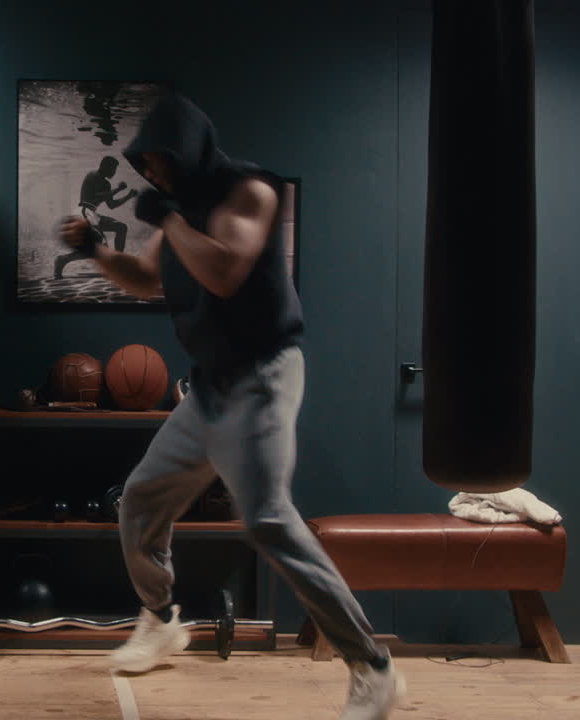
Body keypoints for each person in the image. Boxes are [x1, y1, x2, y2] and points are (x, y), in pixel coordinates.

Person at [59, 94, 406, 720]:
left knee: (268, 519)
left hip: (263, 377)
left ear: (187, 149)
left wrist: (169, 218)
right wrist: (93, 251)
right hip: (209, 387)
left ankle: (373, 666)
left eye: (161, 161)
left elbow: (224, 272)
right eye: (146, 166)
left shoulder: (252, 191)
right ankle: (161, 620)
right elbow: (145, 278)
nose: (153, 174)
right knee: (141, 500)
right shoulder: (180, 211)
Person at [54, 156, 137, 279]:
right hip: (83, 212)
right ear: (104, 166)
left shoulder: (107, 184)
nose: (114, 172)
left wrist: (128, 196)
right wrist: (118, 189)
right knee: (99, 247)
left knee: (121, 227)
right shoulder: (92, 176)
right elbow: (96, 196)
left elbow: (112, 205)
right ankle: (63, 260)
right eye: (113, 169)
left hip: (93, 214)